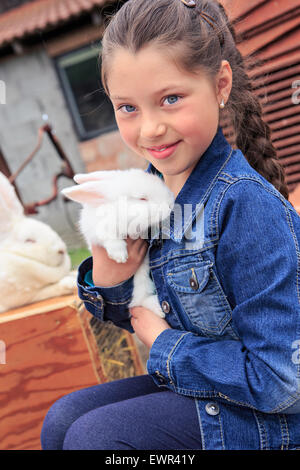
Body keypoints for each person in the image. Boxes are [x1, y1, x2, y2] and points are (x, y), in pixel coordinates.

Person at [41, 0, 300, 450]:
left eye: (171, 99)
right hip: (218, 389)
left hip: (273, 415)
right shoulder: (150, 192)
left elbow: (283, 381)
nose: (151, 129)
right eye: (127, 108)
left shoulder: (244, 205)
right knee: (62, 419)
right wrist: (110, 277)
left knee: (94, 438)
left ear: (220, 84)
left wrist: (165, 345)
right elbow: (146, 312)